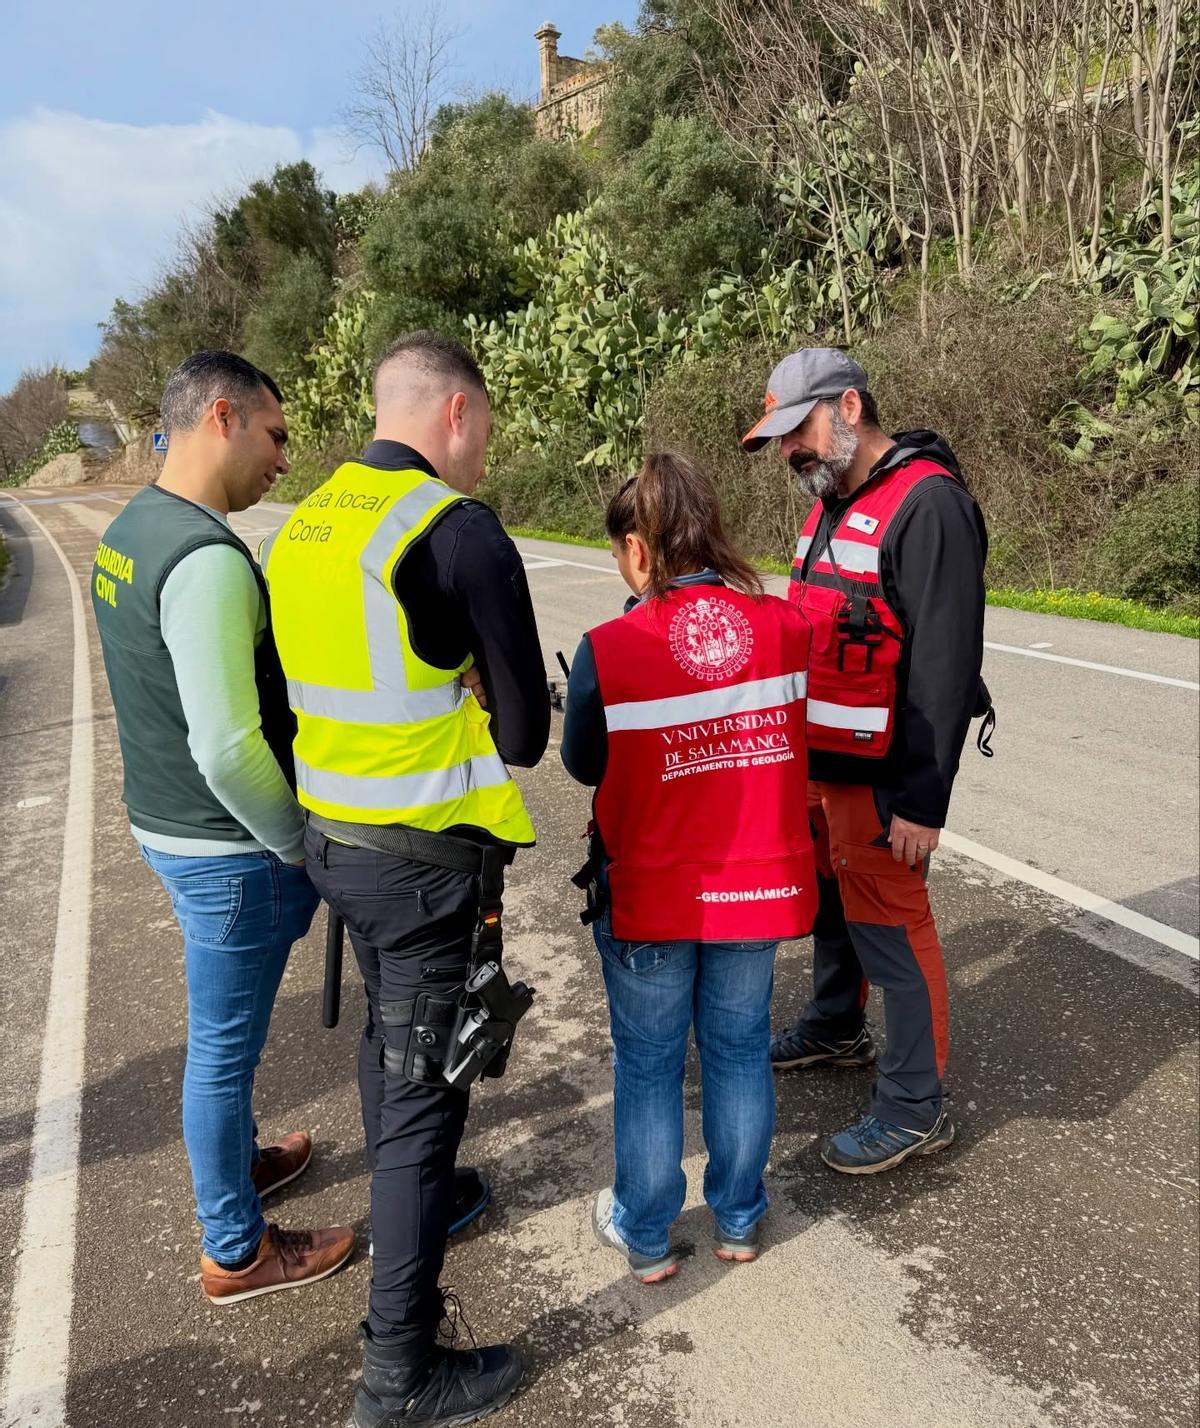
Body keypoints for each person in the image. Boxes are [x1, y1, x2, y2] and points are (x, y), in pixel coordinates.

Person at [260, 331, 549, 1428]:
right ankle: (399, 1377)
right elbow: (522, 734)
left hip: (338, 845)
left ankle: (414, 1203)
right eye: (486, 432)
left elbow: (293, 697)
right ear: (459, 414)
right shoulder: (458, 533)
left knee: (394, 1054)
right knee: (427, 1106)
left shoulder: (306, 524)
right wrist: (476, 683)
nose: (482, 455)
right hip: (427, 866)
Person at [90, 351, 354, 1304]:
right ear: (224, 418)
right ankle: (236, 1248)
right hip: (226, 849)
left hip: (168, 827)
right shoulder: (206, 561)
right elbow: (228, 746)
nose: (285, 460)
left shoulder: (132, 529)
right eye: (277, 437)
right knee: (222, 1048)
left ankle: (239, 1164)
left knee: (220, 1037)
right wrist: (297, 844)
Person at [561, 453, 817, 1282]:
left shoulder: (610, 646)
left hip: (653, 891)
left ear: (638, 549)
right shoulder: (783, 628)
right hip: (760, 884)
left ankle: (644, 1233)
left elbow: (583, 762)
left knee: (649, 1063)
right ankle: (740, 1219)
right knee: (739, 1049)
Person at [741, 347, 988, 1174]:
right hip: (821, 762)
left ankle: (916, 1106)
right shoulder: (829, 504)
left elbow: (944, 671)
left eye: (796, 433)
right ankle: (836, 1025)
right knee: (831, 904)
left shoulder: (930, 507)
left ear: (848, 408)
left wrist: (923, 801)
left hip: (884, 775)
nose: (789, 453)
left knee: (890, 923)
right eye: (779, 441)